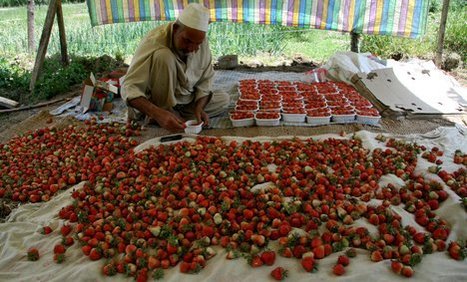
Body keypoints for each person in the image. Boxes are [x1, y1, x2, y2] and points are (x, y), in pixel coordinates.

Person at [121, 3, 229, 131]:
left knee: (224, 99)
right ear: (176, 28)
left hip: (186, 101)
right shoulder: (154, 41)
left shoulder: (201, 42)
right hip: (157, 102)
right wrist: (156, 112)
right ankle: (161, 114)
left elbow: (206, 82)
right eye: (187, 41)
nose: (191, 48)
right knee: (164, 56)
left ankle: (174, 117)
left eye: (197, 44)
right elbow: (129, 88)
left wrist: (199, 108)